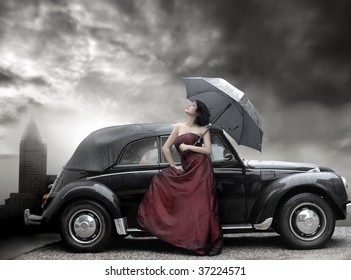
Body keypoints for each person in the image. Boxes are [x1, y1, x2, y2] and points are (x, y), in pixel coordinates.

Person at [137, 100, 223, 256]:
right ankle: (180, 234)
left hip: (201, 169)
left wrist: (189, 147)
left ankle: (208, 241)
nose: (188, 105)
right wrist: (173, 165)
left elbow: (208, 150)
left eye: (193, 105)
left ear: (197, 112)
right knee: (160, 180)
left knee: (202, 205)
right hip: (186, 167)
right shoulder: (178, 126)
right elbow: (165, 147)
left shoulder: (204, 129)